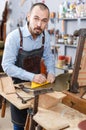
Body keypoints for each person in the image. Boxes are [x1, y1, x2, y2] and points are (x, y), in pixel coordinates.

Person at [1, 2, 55, 130]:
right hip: (19, 90)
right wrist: (32, 77)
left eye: (44, 21)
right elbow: (7, 66)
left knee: (38, 122)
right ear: (28, 16)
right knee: (19, 125)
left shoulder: (45, 36)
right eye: (36, 18)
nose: (39, 24)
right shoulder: (14, 37)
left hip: (37, 88)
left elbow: (49, 57)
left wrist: (51, 71)